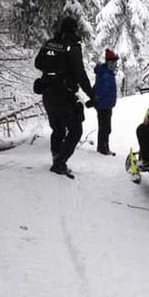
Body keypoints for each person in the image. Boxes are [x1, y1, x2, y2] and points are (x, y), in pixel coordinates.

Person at [38, 15, 97, 177]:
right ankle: (60, 162)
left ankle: (57, 157)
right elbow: (80, 74)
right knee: (75, 130)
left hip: (48, 94)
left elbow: (38, 63)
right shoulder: (72, 47)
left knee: (57, 129)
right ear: (74, 30)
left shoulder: (50, 43)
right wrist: (92, 95)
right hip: (64, 96)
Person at [93, 49, 119, 156]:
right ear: (109, 62)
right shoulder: (105, 74)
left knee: (106, 128)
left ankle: (104, 146)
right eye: (114, 61)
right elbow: (100, 90)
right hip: (103, 105)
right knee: (105, 128)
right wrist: (96, 100)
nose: (116, 64)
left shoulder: (108, 72)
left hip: (107, 105)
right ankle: (103, 148)